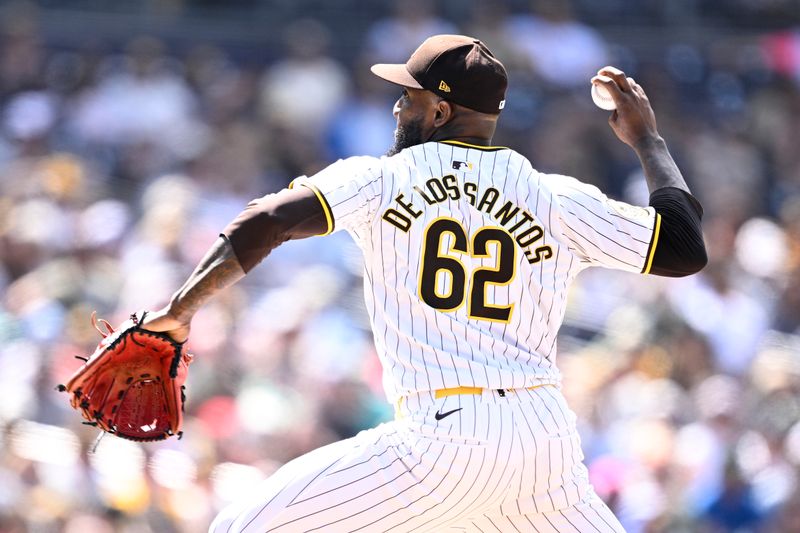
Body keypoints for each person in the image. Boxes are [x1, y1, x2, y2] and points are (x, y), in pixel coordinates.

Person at [143, 35, 707, 532]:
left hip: (441, 442)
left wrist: (178, 313)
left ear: (439, 111)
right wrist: (648, 140)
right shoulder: (556, 197)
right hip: (542, 448)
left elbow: (263, 222)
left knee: (240, 527)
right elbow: (683, 248)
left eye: (408, 96)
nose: (396, 106)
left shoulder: (381, 178)